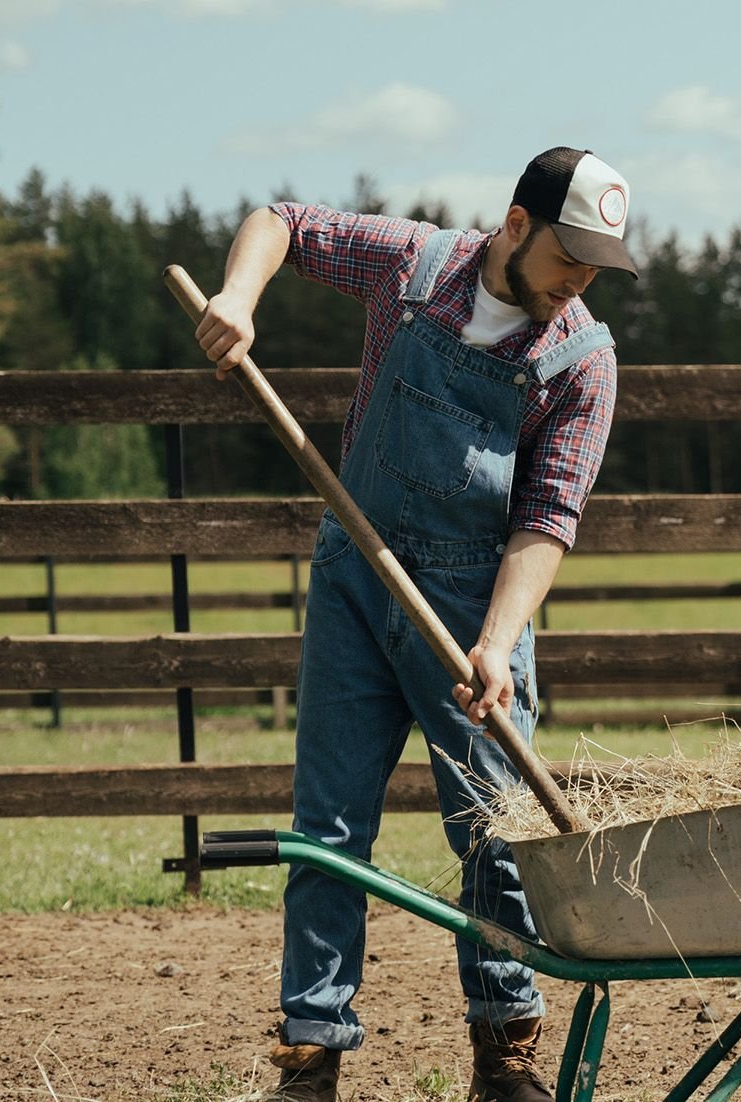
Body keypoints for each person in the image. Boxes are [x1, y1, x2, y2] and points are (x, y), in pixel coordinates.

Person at [195, 147, 637, 1102]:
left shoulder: (582, 359)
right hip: (355, 583)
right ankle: (312, 1052)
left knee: (495, 837)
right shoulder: (414, 269)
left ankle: (504, 1050)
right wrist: (239, 298)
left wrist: (495, 642)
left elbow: (548, 518)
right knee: (329, 829)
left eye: (597, 268)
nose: (579, 284)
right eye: (570, 258)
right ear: (517, 226)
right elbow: (286, 222)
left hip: (476, 607)